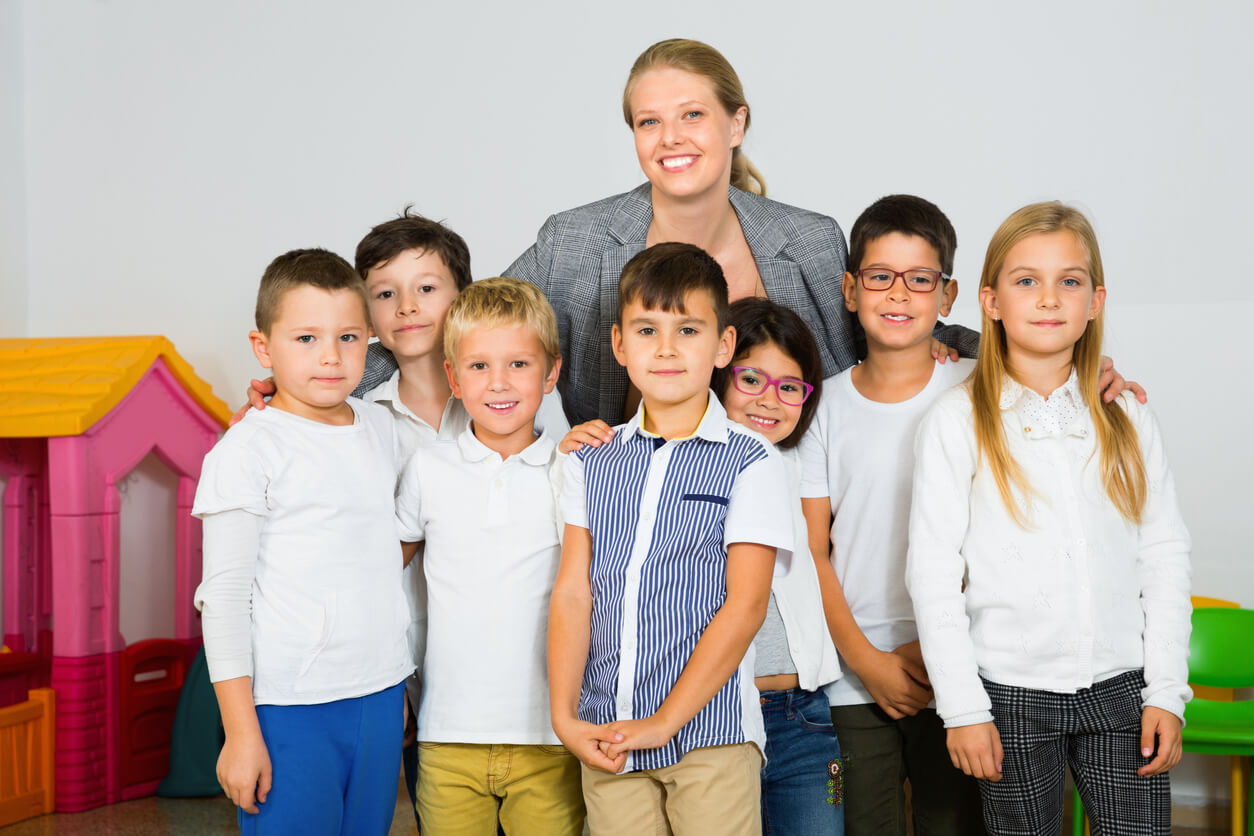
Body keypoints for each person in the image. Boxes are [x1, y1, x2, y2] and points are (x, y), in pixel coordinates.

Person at [354, 37, 979, 424]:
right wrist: (327, 383)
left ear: (736, 125)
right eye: (649, 122)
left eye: (692, 115)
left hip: (798, 510)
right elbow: (465, 327)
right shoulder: (577, 242)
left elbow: (891, 311)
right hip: (631, 515)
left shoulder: (809, 239)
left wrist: (992, 351)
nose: (670, 138)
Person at [906, 202, 1191, 835]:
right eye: (1026, 280)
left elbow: (1164, 557)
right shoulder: (956, 424)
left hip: (1123, 689)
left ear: (1095, 300)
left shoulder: (1128, 418)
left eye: (1070, 280)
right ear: (990, 301)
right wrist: (961, 709)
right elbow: (932, 575)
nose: (1049, 298)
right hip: (1007, 695)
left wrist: (1166, 691)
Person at [563, 297, 846, 834]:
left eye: (790, 388)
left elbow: (816, 561)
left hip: (800, 713)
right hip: (704, 708)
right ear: (720, 366)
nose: (771, 400)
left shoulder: (798, 462)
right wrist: (574, 448)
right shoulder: (634, 462)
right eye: (752, 380)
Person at [192, 249, 412, 835]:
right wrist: (240, 734)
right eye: (306, 338)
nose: (331, 357)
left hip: (380, 692)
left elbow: (385, 542)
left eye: (347, 337)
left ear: (370, 340)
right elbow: (225, 598)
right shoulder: (246, 450)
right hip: (289, 706)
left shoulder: (383, 428)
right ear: (263, 348)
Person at [798, 195, 985, 836]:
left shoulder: (978, 388)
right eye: (879, 277)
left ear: (948, 294)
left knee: (951, 822)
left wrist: (933, 649)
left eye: (920, 279)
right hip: (855, 673)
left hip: (959, 664)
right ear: (851, 290)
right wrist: (868, 661)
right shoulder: (820, 407)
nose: (898, 294)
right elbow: (810, 549)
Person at [394, 277, 584, 835]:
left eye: (519, 365)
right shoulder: (428, 469)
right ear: (453, 377)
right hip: (448, 734)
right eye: (478, 367)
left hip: (551, 736)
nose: (498, 383)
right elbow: (382, 574)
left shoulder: (572, 469)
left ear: (551, 372)